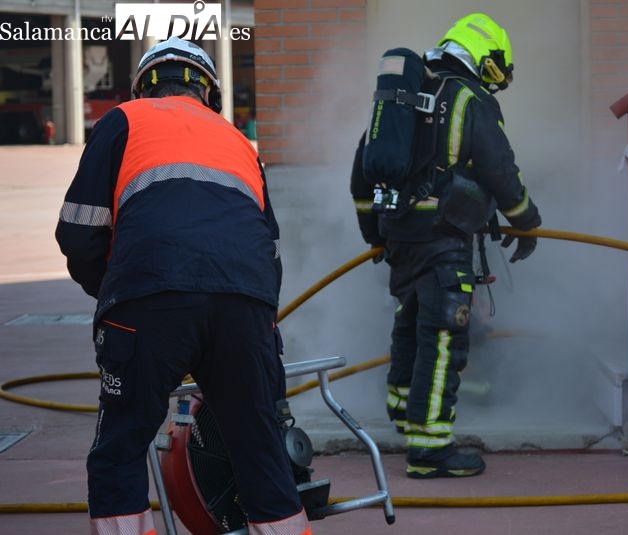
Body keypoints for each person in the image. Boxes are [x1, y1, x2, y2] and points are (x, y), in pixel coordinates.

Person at [55, 37, 311, 535]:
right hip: (245, 305)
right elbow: (269, 253)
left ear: (143, 87)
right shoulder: (238, 140)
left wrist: (117, 296)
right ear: (209, 92)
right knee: (261, 451)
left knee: (122, 447)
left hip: (149, 299)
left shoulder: (124, 120)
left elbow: (80, 234)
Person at [350, 13, 542, 479]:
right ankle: (430, 447)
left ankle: (403, 413)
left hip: (400, 237)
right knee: (442, 339)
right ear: (482, 59)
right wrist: (526, 223)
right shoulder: (468, 99)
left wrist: (376, 236)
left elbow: (362, 172)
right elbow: (500, 167)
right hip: (443, 240)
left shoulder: (404, 99)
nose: (494, 82)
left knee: (410, 324)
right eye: (494, 70)